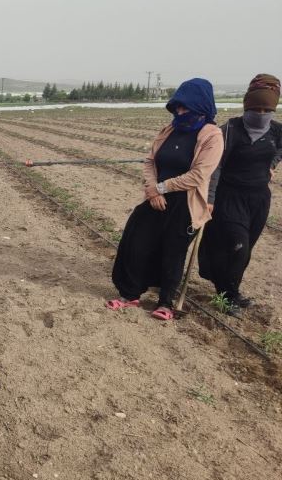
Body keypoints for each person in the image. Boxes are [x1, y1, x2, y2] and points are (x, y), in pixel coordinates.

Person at [107, 78, 223, 320]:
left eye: (185, 108)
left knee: (173, 252)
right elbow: (150, 161)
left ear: (201, 107)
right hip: (155, 198)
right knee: (136, 243)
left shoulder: (211, 135)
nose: (180, 113)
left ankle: (166, 303)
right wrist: (152, 189)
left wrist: (161, 188)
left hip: (185, 204)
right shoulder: (169, 130)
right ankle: (130, 295)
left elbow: (198, 175)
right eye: (177, 108)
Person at [198, 74, 281, 313]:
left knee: (245, 252)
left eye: (267, 109)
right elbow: (217, 166)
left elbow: (280, 150)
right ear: (247, 106)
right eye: (257, 108)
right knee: (237, 247)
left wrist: (272, 164)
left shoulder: (276, 132)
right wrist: (210, 199)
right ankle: (228, 296)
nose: (262, 113)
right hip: (229, 197)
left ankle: (229, 288)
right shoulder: (230, 130)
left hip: (258, 200)